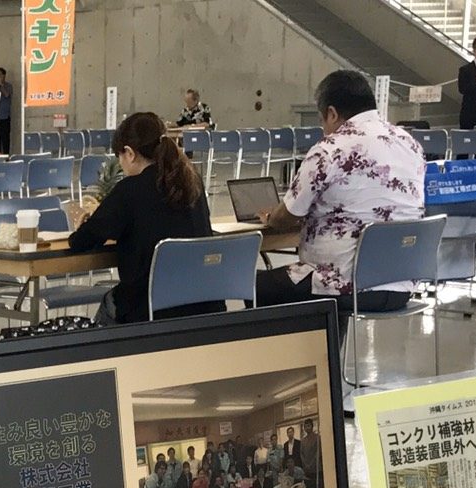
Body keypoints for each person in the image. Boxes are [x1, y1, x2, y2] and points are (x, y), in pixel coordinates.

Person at [256, 71, 425, 334]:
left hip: (344, 286)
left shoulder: (330, 149)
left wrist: (271, 217)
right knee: (327, 277)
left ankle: (301, 360)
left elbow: (286, 216)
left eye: (322, 120)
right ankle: (330, 355)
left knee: (257, 286)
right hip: (399, 284)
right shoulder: (410, 144)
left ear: (332, 113)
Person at [67, 112, 220, 324]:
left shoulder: (129, 190)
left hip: (148, 307)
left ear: (129, 153)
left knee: (109, 304)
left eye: (119, 157)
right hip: (202, 302)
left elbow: (81, 241)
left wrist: (82, 225)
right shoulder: (192, 183)